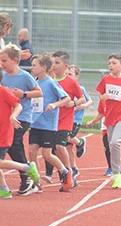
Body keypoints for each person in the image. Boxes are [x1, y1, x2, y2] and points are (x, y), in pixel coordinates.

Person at [0, 44, 43, 195]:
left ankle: (26, 175)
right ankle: (28, 174)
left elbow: (39, 92)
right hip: (7, 118)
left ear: (15, 60)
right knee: (10, 145)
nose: (2, 64)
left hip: (23, 116)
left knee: (13, 143)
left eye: (4, 60)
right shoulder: (4, 77)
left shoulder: (24, 76)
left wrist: (23, 94)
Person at [28, 54, 72, 191]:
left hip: (48, 125)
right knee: (32, 151)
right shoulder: (33, 82)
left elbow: (66, 98)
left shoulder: (51, 83)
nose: (32, 68)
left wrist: (54, 104)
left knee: (47, 155)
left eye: (34, 65)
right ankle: (36, 182)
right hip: (35, 123)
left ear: (43, 67)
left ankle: (65, 171)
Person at [96, 53, 121, 189]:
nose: (111, 65)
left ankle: (117, 174)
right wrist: (103, 96)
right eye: (110, 63)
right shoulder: (106, 79)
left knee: (115, 142)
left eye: (114, 63)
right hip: (110, 116)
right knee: (112, 146)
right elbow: (100, 95)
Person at [51, 51, 85, 192]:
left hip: (65, 120)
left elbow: (82, 98)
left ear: (65, 66)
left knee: (60, 147)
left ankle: (69, 174)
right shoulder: (49, 80)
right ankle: (64, 172)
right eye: (52, 62)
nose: (53, 66)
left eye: (57, 63)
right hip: (51, 120)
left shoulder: (71, 82)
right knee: (52, 150)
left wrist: (74, 103)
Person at [66, 65, 92, 180]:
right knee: (68, 147)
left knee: (68, 138)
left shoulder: (80, 88)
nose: (68, 77)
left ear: (77, 77)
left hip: (75, 120)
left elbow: (89, 100)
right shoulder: (62, 87)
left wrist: (83, 106)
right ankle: (73, 168)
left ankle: (80, 142)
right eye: (66, 74)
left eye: (70, 75)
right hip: (65, 119)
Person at [86, 100, 112, 176]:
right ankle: (110, 167)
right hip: (105, 127)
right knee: (107, 148)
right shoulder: (102, 100)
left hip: (116, 126)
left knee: (116, 146)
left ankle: (120, 166)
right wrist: (92, 122)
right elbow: (101, 114)